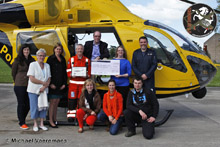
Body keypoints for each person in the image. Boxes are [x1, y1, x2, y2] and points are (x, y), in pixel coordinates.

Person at [27, 49, 51, 132]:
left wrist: (44, 86)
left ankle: (41, 124)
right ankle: (35, 124)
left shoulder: (47, 65)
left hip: (44, 90)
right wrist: (42, 83)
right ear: (37, 56)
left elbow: (49, 78)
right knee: (34, 107)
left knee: (43, 107)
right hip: (34, 90)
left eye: (43, 55)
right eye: (40, 55)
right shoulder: (32, 65)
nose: (42, 57)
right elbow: (31, 78)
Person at [11, 44, 35, 130]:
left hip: (30, 85)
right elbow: (13, 72)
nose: (26, 51)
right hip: (20, 85)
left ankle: (22, 118)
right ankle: (22, 122)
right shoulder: (17, 60)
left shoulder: (32, 60)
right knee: (21, 103)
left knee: (28, 103)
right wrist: (17, 80)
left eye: (28, 50)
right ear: (22, 51)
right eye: (25, 50)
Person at [66, 44, 91, 120]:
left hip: (83, 84)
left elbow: (89, 73)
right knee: (72, 99)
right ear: (76, 50)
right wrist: (71, 75)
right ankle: (71, 116)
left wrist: (86, 75)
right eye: (78, 49)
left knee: (82, 100)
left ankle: (81, 115)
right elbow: (68, 71)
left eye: (81, 49)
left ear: (83, 50)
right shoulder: (71, 60)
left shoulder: (87, 60)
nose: (79, 50)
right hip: (73, 84)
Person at [46, 43, 67, 128]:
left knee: (57, 102)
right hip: (53, 84)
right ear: (54, 49)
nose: (58, 50)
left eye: (60, 49)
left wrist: (64, 84)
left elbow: (64, 72)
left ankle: (55, 119)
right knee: (52, 103)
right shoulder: (50, 59)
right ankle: (50, 120)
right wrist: (50, 83)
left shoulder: (62, 59)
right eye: (57, 49)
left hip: (60, 84)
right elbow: (47, 72)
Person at [111, 46, 131, 110]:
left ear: (123, 52)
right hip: (114, 85)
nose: (120, 52)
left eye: (122, 50)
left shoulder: (126, 62)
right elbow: (109, 71)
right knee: (114, 101)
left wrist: (121, 76)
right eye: (119, 50)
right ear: (117, 52)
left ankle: (123, 115)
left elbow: (129, 73)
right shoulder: (112, 61)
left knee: (123, 101)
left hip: (124, 85)